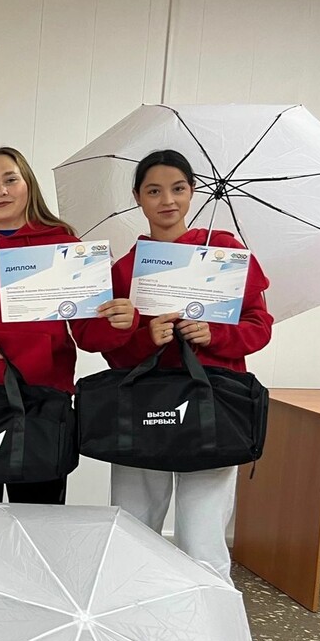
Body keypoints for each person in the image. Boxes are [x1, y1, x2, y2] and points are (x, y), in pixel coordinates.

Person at [0, 146, 133, 534]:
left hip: (42, 406)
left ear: (28, 185)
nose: (0, 190)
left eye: (10, 180)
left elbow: (88, 334)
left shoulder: (65, 246)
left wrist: (120, 322)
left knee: (37, 529)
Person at [82, 148, 273, 580]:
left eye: (178, 188)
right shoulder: (124, 269)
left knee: (204, 536)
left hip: (214, 401)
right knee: (133, 527)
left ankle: (208, 616)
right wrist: (143, 336)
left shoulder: (223, 252)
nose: (167, 200)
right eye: (154, 191)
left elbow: (259, 326)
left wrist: (215, 334)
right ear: (137, 197)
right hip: (143, 403)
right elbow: (101, 346)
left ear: (192, 192)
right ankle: (131, 607)